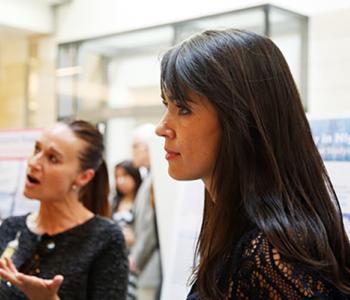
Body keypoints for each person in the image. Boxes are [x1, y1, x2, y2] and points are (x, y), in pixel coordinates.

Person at [155, 29, 350, 299]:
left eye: (183, 109)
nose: (161, 127)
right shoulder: (244, 237)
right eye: (166, 106)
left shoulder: (267, 256)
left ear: (241, 120)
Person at [0, 120, 128, 300]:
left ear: (83, 177)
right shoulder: (11, 228)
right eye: (37, 150)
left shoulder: (105, 238)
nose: (34, 163)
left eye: (52, 158)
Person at [129, 124, 162, 300]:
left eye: (135, 146)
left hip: (150, 267)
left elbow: (150, 229)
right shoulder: (149, 178)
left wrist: (135, 259)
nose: (132, 151)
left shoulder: (154, 181)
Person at [112, 160, 142, 249]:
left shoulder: (140, 202)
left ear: (134, 176)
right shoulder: (113, 202)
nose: (120, 181)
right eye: (117, 176)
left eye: (125, 175)